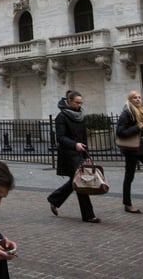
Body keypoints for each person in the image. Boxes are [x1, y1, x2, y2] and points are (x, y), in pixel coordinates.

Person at [47, 90, 100, 223]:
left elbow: (84, 136)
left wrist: (87, 155)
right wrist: (74, 144)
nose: (79, 105)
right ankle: (88, 215)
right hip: (68, 153)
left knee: (74, 181)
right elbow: (60, 137)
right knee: (81, 181)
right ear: (69, 101)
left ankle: (54, 199)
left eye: (80, 103)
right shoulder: (62, 117)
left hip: (79, 152)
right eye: (76, 102)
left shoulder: (81, 115)